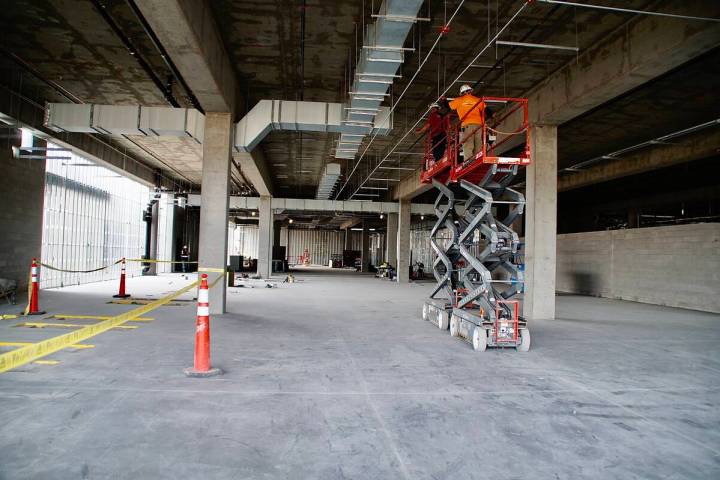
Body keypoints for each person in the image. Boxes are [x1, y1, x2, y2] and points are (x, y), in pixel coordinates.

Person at [448, 84, 485, 162]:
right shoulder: (477, 100)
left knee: (468, 144)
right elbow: (486, 110)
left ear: (462, 92)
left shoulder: (459, 100)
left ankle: (468, 161)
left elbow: (448, 107)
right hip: (479, 125)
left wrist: (444, 100)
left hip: (467, 124)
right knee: (478, 143)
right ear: (470, 91)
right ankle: (478, 159)